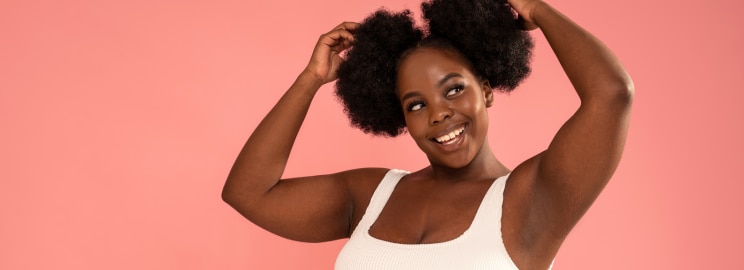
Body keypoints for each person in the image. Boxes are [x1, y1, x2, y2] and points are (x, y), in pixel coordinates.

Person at [222, 0, 633, 268]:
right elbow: (249, 193)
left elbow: (611, 95)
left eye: (454, 89)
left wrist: (535, 8)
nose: (439, 114)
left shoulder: (531, 199)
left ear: (486, 90)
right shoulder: (372, 196)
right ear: (399, 116)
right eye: (416, 105)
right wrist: (310, 80)